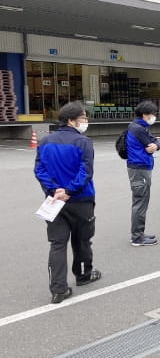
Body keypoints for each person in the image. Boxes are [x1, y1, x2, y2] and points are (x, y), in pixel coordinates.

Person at [34, 101, 101, 304]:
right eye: (83, 117)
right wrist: (70, 190)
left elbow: (39, 170)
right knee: (81, 241)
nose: (86, 121)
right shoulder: (83, 142)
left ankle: (58, 289)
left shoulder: (45, 141)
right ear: (71, 120)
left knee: (57, 244)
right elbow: (86, 171)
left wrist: (54, 190)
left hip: (54, 201)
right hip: (80, 200)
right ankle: (83, 275)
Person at [126, 101, 160, 246]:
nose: (154, 117)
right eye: (153, 114)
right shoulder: (138, 128)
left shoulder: (140, 127)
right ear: (145, 114)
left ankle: (139, 233)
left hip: (140, 166)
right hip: (139, 167)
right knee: (140, 201)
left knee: (140, 200)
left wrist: (156, 145)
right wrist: (154, 145)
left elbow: (155, 143)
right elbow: (150, 144)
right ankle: (137, 236)